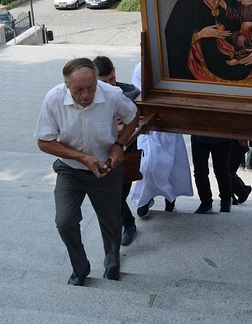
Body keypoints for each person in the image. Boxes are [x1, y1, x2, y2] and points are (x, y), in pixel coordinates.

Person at [34, 58, 139, 286]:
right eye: (79, 89)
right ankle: (80, 269)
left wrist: (119, 145)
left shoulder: (111, 94)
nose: (86, 95)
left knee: (112, 221)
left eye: (91, 87)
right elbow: (44, 141)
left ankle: (112, 264)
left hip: (106, 169)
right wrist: (82, 158)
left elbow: (133, 117)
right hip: (71, 170)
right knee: (65, 221)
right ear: (66, 86)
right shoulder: (54, 99)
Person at [129, 62, 194, 216]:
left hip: (170, 123)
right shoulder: (140, 69)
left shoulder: (172, 67)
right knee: (148, 165)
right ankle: (144, 200)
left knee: (172, 165)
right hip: (151, 125)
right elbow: (140, 94)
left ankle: (170, 200)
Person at [92, 56, 140, 247]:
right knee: (113, 196)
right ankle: (127, 223)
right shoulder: (90, 95)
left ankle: (127, 225)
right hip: (101, 153)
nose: (111, 84)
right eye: (104, 82)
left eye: (112, 79)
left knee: (118, 195)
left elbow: (138, 120)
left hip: (126, 152)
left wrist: (118, 129)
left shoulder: (129, 92)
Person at [191, 135, 233, 214]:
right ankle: (206, 202)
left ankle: (226, 200)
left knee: (221, 171)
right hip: (198, 135)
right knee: (199, 172)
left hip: (222, 136)